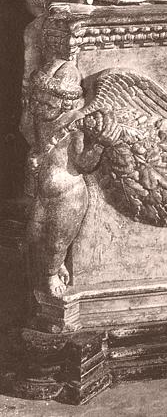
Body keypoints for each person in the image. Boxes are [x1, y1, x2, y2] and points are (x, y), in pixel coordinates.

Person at [26, 60, 107, 297]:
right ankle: (55, 264)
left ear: (65, 103)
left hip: (67, 195)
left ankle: (51, 273)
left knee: (56, 242)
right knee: (33, 235)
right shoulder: (41, 117)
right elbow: (38, 145)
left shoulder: (75, 124)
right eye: (36, 101)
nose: (39, 107)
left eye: (46, 104)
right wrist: (34, 156)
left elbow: (83, 163)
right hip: (43, 192)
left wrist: (100, 145)